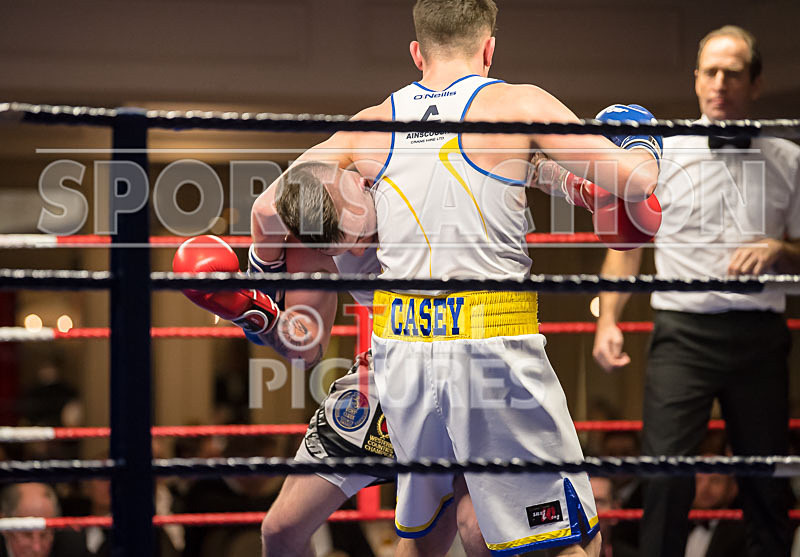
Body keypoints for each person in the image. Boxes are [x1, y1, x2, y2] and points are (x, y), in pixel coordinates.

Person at [261, 1, 664, 554]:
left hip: (401, 359)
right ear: (490, 47)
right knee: (569, 540)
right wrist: (642, 140)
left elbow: (267, 205)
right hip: (490, 348)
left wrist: (257, 278)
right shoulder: (517, 102)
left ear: (416, 54)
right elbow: (636, 183)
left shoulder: (372, 126)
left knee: (429, 539)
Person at [592, 25, 800, 557]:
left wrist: (780, 248)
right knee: (663, 479)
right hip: (683, 333)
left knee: (766, 485)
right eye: (710, 71)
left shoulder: (788, 159)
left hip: (759, 335)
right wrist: (609, 318)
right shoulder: (664, 153)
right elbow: (627, 243)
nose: (720, 83)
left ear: (756, 83)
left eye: (733, 73)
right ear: (696, 80)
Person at [174, 227, 462, 556]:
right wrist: (252, 308)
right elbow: (306, 347)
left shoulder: (460, 193)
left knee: (439, 533)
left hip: (465, 371)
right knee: (281, 528)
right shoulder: (310, 203)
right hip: (383, 374)